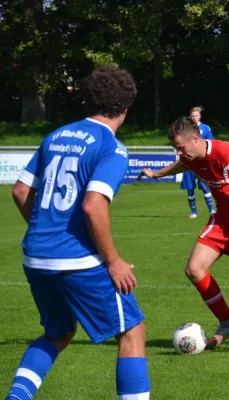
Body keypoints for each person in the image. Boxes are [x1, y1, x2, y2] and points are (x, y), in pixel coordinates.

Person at [6, 66, 150, 399]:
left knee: (58, 333)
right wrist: (113, 262)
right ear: (126, 107)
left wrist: (47, 231)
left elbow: (20, 192)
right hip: (76, 260)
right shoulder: (112, 148)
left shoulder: (55, 136)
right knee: (132, 332)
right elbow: (93, 206)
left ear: (87, 101)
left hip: (36, 256)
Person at [136, 117, 229, 355]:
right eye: (176, 149)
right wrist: (156, 174)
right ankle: (228, 324)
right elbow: (182, 164)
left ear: (195, 138)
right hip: (224, 218)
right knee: (194, 269)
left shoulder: (225, 152)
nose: (179, 153)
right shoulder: (190, 157)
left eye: (181, 147)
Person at [181, 106, 215, 218]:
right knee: (190, 188)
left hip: (201, 162)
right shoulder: (185, 129)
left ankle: (211, 210)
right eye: (192, 116)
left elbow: (211, 143)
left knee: (204, 186)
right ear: (190, 117)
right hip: (189, 162)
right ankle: (194, 212)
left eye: (196, 116)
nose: (194, 118)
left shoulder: (206, 128)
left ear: (200, 116)